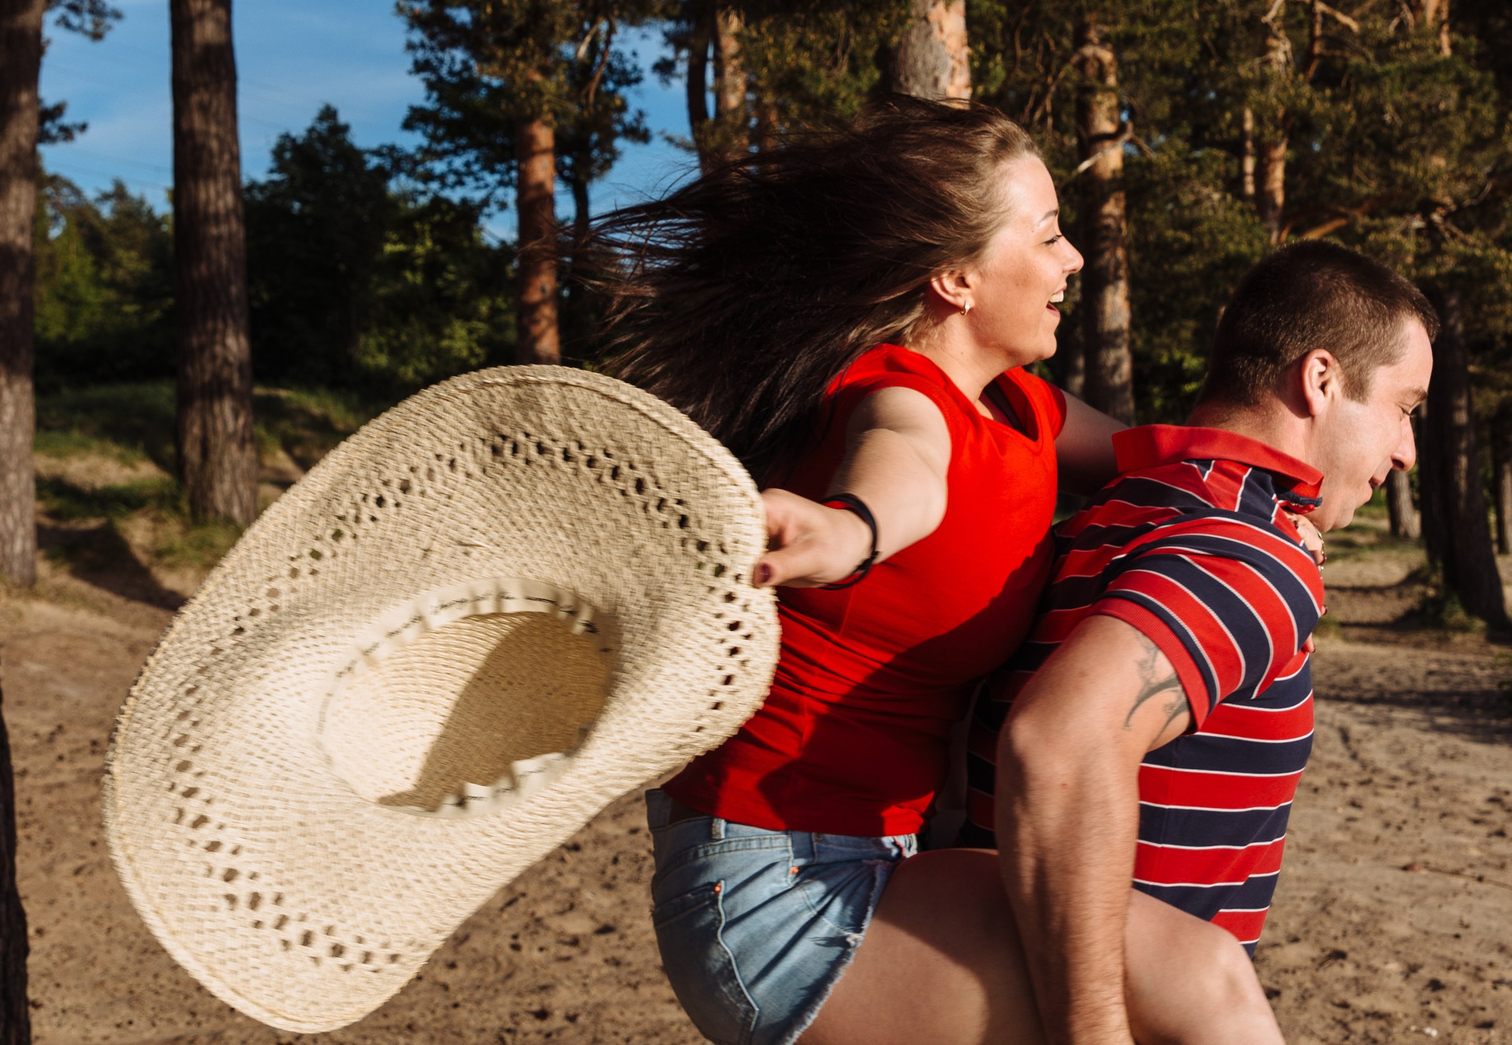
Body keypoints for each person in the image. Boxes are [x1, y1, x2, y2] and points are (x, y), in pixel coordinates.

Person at [588, 98, 1159, 1045]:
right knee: (1181, 984)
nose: (1074, 260)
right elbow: (907, 470)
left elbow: (1158, 458)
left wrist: (1275, 498)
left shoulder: (1024, 409)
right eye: (1050, 235)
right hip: (775, 885)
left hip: (892, 857)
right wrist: (852, 529)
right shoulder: (901, 389)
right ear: (956, 278)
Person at [954, 242, 1436, 1045]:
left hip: (998, 974)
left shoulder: (1118, 512)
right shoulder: (1249, 553)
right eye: (1404, 408)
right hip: (1107, 1009)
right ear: (1320, 381)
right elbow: (1061, 742)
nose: (1407, 451)